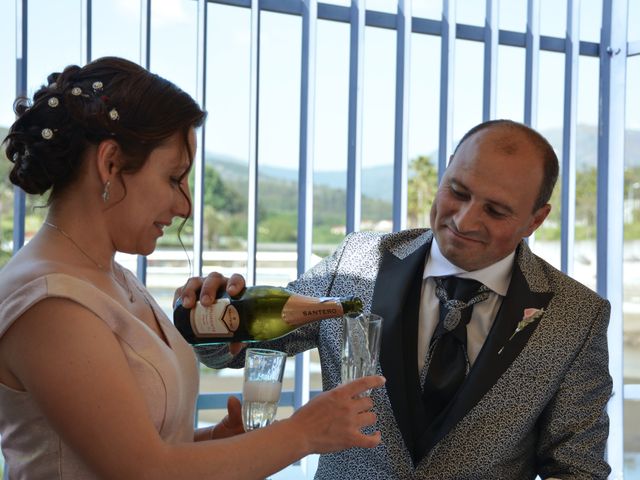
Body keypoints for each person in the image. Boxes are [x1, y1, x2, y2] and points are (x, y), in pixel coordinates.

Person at [0, 56, 385, 480]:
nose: (184, 206)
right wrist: (303, 434)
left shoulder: (111, 276)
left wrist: (218, 442)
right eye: (174, 178)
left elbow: (136, 450)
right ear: (110, 163)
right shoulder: (49, 302)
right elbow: (145, 472)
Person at [190, 119, 613, 479]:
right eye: (458, 192)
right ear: (444, 175)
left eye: (496, 211)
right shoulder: (357, 261)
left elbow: (577, 468)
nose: (464, 220)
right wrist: (207, 316)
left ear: (536, 219)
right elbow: (241, 350)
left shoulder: (577, 315)